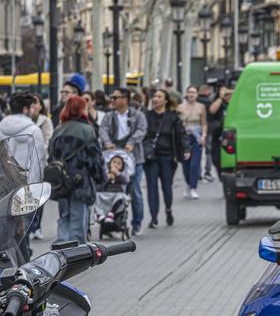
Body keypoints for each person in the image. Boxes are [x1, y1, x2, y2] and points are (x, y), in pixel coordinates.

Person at [49, 95, 103, 244]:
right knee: (79, 216)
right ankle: (77, 251)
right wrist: (100, 178)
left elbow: (51, 156)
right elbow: (94, 158)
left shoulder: (58, 129)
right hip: (81, 180)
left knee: (64, 215)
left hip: (61, 180)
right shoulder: (88, 130)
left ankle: (62, 247)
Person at [0, 91, 49, 240]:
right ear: (26, 109)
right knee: (22, 230)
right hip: (24, 183)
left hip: (2, 184)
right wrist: (34, 192)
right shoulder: (33, 131)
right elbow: (37, 164)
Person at [98, 86, 148, 234]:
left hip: (134, 158)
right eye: (112, 97)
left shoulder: (137, 115)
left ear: (125, 99)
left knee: (135, 190)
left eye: (115, 97)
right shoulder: (109, 116)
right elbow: (103, 130)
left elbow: (142, 129)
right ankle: (109, 223)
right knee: (111, 189)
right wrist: (107, 143)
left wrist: (132, 141)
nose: (112, 100)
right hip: (113, 157)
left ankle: (137, 223)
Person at [142, 88, 188, 228]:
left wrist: (186, 149)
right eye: (154, 96)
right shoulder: (146, 116)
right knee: (151, 187)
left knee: (167, 186)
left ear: (165, 100)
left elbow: (181, 134)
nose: (155, 98)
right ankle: (154, 217)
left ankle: (168, 209)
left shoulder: (172, 117)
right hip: (151, 157)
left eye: (159, 96)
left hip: (168, 156)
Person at [178, 85, 207, 199]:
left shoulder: (201, 107)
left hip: (196, 137)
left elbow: (204, 123)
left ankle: (193, 187)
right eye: (189, 92)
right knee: (186, 164)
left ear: (197, 95)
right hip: (184, 137)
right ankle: (188, 185)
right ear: (186, 93)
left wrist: (204, 135)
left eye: (193, 92)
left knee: (195, 164)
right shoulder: (180, 107)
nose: (191, 95)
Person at [205, 84, 231, 182]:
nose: (226, 94)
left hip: (231, 134)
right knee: (216, 158)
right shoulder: (218, 103)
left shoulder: (234, 103)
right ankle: (222, 177)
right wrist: (221, 98)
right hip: (218, 134)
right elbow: (212, 110)